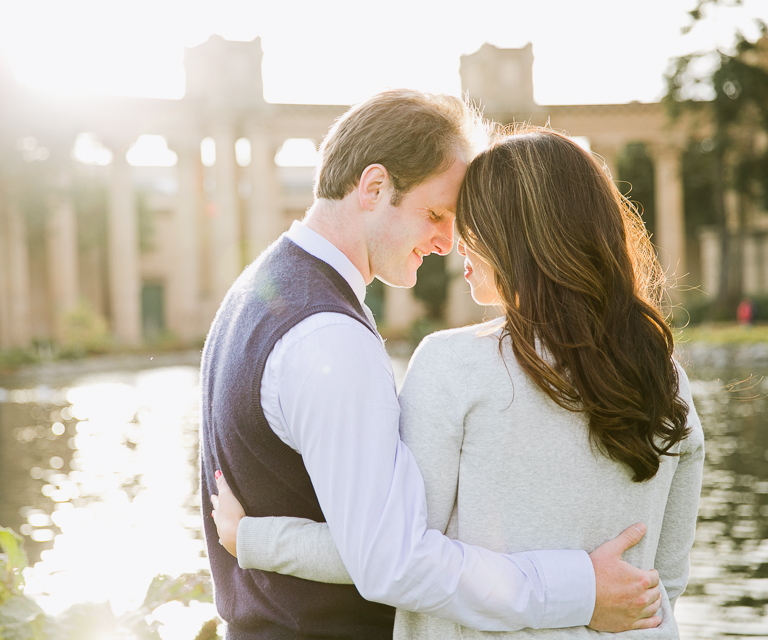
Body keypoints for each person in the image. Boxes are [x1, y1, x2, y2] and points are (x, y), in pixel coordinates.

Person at [199, 92, 664, 640]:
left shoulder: (257, 291)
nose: (448, 241)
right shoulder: (329, 337)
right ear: (373, 188)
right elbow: (392, 559)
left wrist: (252, 538)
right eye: (436, 214)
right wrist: (580, 588)